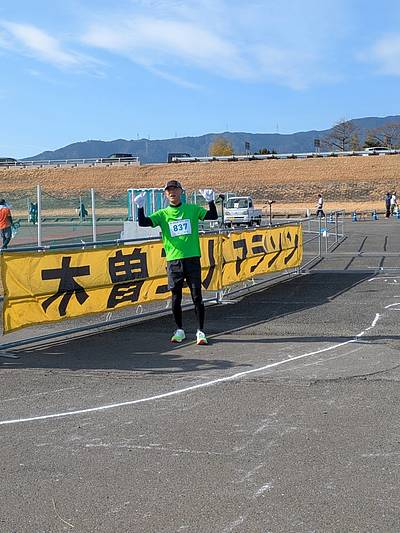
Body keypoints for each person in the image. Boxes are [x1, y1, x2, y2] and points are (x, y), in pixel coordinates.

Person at [134, 181, 218, 345]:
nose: (172, 192)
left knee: (196, 296)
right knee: (175, 297)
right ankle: (179, 329)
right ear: (166, 194)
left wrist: (210, 201)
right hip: (174, 261)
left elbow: (212, 216)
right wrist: (140, 207)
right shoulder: (163, 214)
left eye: (175, 189)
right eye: (169, 190)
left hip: (192, 258)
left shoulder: (192, 209)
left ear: (181, 191)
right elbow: (143, 222)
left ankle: (200, 331)